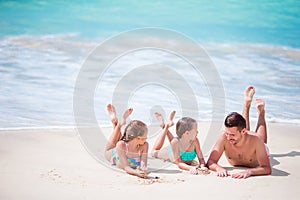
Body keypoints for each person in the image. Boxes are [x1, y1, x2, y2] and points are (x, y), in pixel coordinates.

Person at [207, 86, 272, 179]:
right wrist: (218, 168)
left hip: (257, 145)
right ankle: (246, 105)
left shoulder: (256, 140)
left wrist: (249, 172)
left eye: (232, 135)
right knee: (241, 129)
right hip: (244, 135)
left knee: (262, 140)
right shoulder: (223, 137)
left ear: (243, 131)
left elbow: (267, 168)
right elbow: (211, 161)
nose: (228, 138)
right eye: (227, 133)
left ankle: (261, 113)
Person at [151, 110, 209, 175]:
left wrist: (203, 166)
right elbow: (179, 163)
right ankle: (165, 126)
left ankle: (165, 125)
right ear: (187, 133)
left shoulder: (195, 141)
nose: (197, 132)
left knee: (176, 141)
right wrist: (190, 168)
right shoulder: (175, 142)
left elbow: (201, 158)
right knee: (154, 152)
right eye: (195, 130)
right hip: (170, 154)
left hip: (178, 144)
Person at [104, 104, 149, 178]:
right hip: (113, 153)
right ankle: (117, 125)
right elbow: (126, 167)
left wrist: (143, 170)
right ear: (137, 138)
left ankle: (117, 123)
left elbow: (143, 164)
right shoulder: (121, 145)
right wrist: (136, 172)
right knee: (119, 143)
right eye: (144, 137)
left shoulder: (145, 145)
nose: (146, 138)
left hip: (125, 146)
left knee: (121, 141)